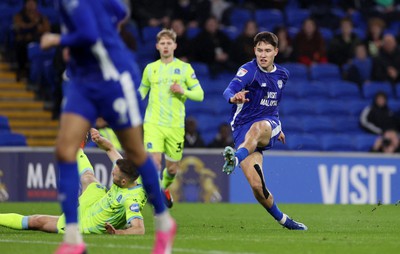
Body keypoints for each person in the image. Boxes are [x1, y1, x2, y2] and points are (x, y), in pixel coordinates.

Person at [40, 1, 176, 253]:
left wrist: (57, 40)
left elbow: (91, 33)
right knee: (65, 150)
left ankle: (165, 223)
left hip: (114, 75)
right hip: (84, 77)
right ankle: (72, 239)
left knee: (135, 152)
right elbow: (120, 12)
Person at [221, 31, 307, 230]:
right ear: (254, 51)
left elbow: (274, 104)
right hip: (242, 131)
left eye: (268, 50)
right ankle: (286, 221)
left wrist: (277, 128)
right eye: (259, 50)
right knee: (258, 188)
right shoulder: (248, 70)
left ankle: (235, 157)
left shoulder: (282, 74)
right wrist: (234, 98)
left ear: (276, 51)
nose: (263, 54)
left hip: (266, 124)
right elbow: (228, 90)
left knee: (258, 127)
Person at [0, 128, 147, 235]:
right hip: (97, 201)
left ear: (123, 182)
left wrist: (118, 233)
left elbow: (139, 229)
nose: (112, 172)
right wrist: (99, 140)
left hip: (87, 222)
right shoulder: (131, 173)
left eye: (114, 175)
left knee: (37, 221)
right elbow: (110, 149)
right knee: (88, 177)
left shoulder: (130, 201)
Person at [139, 28, 204, 208]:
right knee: (154, 163)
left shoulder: (184, 69)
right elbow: (142, 91)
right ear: (157, 46)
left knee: (173, 169)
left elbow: (200, 95)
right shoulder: (150, 69)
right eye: (162, 43)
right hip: (153, 123)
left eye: (169, 43)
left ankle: (163, 188)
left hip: (175, 125)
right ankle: (156, 197)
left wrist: (182, 90)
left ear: (174, 45)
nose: (166, 46)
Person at [13, 0, 51, 81]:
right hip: (23, 40)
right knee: (19, 44)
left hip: (37, 40)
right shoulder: (20, 15)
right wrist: (35, 25)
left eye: (33, 4)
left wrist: (31, 27)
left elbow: (46, 29)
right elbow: (21, 27)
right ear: (25, 5)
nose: (31, 5)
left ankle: (34, 76)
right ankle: (22, 70)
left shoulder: (41, 17)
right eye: (29, 3)